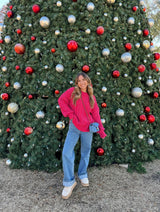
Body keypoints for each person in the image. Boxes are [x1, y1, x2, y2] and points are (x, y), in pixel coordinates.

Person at [58, 72, 107, 200]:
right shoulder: (72, 92)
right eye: (79, 80)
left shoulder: (92, 97)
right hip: (74, 127)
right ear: (77, 82)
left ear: (88, 82)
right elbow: (61, 100)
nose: (81, 82)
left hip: (88, 128)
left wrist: (101, 130)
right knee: (66, 152)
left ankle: (83, 173)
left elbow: (96, 114)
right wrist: (71, 115)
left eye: (83, 80)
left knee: (86, 151)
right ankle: (69, 182)